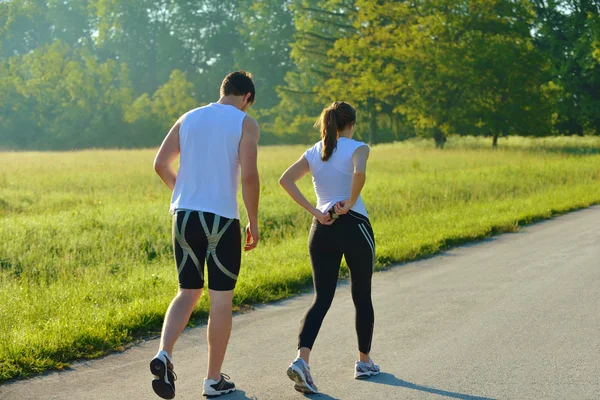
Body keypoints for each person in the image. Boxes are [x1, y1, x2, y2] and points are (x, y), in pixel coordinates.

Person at [151, 71, 260, 399]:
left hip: (183, 216)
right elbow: (250, 176)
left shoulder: (188, 118)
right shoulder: (245, 122)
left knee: (187, 291)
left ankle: (164, 353)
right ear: (246, 98)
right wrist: (253, 222)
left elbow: (160, 163)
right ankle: (213, 380)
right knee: (220, 300)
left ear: (223, 90)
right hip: (221, 220)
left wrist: (183, 191)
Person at [279, 101, 380, 394]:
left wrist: (315, 211)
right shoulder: (358, 147)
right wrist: (348, 203)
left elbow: (285, 180)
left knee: (321, 298)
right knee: (362, 294)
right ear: (351, 124)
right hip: (354, 225)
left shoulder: (314, 151)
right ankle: (364, 362)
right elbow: (359, 174)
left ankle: (302, 360)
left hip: (321, 229)